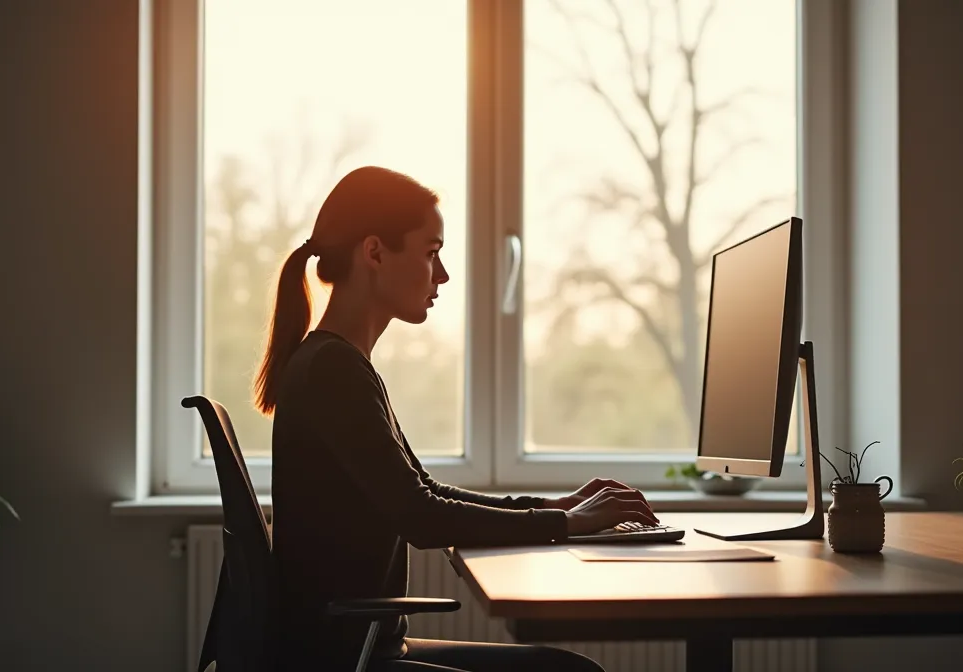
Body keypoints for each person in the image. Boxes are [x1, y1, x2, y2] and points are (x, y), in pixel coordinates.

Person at [255, 166, 660, 671]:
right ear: (375, 252)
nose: (442, 274)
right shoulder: (333, 370)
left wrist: (552, 506)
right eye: (431, 252)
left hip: (360, 651)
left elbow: (423, 492)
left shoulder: (336, 362)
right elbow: (421, 517)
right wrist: (565, 523)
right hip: (346, 659)